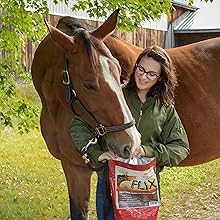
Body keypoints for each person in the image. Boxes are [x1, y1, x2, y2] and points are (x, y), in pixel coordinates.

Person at [69, 45, 190, 220]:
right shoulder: (116, 95)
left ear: (160, 77)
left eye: (151, 73)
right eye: (141, 69)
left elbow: (181, 147)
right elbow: (78, 124)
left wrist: (147, 151)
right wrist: (96, 153)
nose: (143, 76)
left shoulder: (165, 108)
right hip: (110, 181)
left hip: (144, 185)